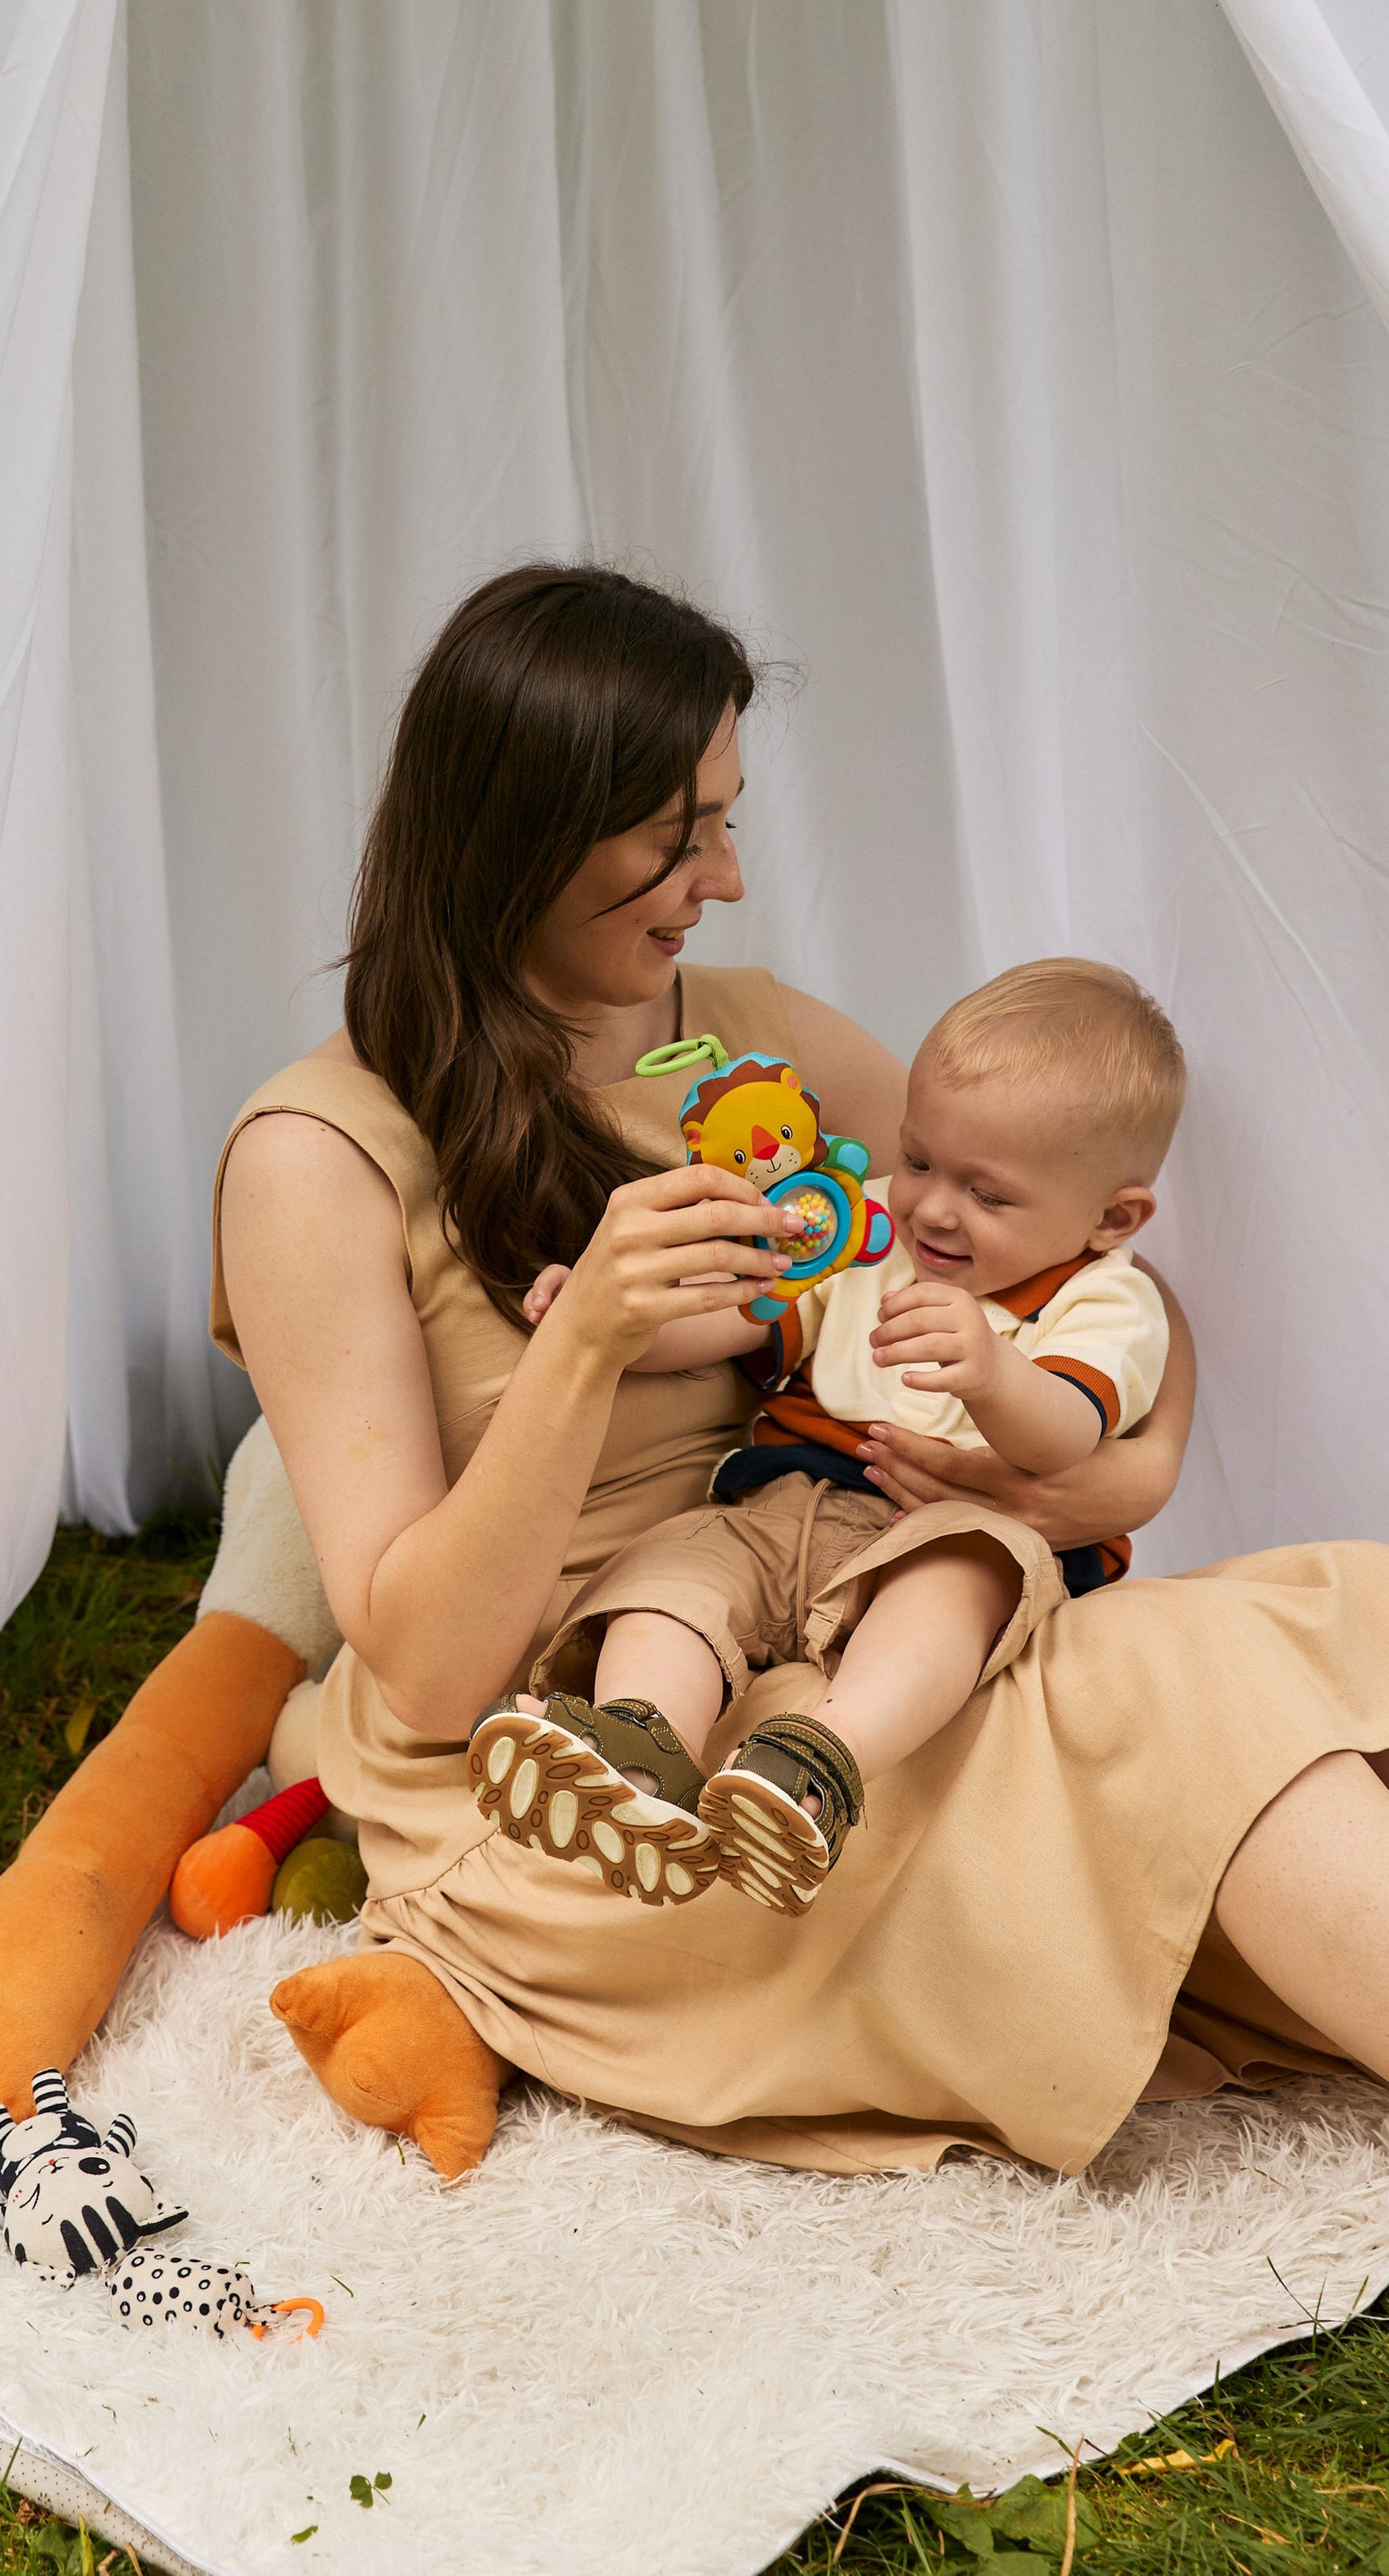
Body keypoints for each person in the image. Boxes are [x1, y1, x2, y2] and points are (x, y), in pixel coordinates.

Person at [210, 560, 1389, 2184]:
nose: (727, 876)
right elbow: (418, 1675)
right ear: (530, 822)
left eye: (724, 818)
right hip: (588, 1747)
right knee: (1158, 1714)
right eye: (677, 833)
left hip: (850, 1631)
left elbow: (1051, 1258)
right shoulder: (313, 1158)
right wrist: (591, 1347)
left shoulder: (759, 1043)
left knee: (1184, 1688)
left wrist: (1080, 1478)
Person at [472, 959, 1181, 1917]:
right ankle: (637, 1753)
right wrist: (605, 1325)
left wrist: (993, 1374)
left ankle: (814, 1766)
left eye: (988, 1194)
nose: (931, 1206)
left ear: (1112, 1218)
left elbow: (1066, 1437)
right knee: (677, 1572)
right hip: (784, 1499)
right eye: (921, 1159)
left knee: (959, 1583)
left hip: (945, 1525)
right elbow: (731, 1320)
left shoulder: (1107, 1302)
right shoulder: (865, 1231)